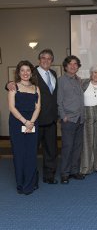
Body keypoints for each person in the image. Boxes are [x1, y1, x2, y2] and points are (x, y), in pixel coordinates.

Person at [6, 49, 59, 184]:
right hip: (35, 121)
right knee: (30, 151)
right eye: (43, 58)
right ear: (39, 60)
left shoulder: (53, 73)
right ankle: (29, 177)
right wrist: (8, 84)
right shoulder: (31, 71)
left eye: (49, 58)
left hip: (51, 119)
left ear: (52, 61)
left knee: (51, 150)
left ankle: (49, 176)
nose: (46, 60)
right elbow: (15, 85)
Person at [8, 60, 41, 195]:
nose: (25, 73)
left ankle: (30, 182)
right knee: (19, 154)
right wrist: (25, 122)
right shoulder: (13, 87)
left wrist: (31, 122)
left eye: (28, 70)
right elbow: (11, 107)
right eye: (22, 70)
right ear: (18, 72)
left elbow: (38, 108)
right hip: (17, 123)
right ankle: (21, 184)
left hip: (33, 123)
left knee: (31, 154)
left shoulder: (36, 88)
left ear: (31, 72)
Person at [57, 55, 85, 184]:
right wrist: (63, 116)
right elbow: (59, 101)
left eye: (76, 64)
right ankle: (65, 173)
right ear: (66, 66)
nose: (73, 66)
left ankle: (74, 171)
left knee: (77, 147)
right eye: (70, 64)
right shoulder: (61, 80)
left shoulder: (79, 80)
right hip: (69, 119)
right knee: (67, 147)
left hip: (80, 119)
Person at [80, 65, 97, 175]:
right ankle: (86, 167)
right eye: (94, 72)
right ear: (91, 73)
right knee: (87, 142)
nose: (96, 75)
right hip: (86, 114)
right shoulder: (83, 83)